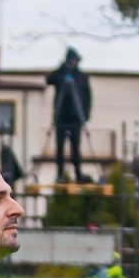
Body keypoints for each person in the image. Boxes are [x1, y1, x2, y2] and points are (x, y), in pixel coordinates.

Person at [47, 48, 91, 183]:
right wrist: (62, 68)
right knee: (59, 148)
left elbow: (88, 97)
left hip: (75, 118)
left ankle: (78, 173)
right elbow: (48, 79)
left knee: (76, 148)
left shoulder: (81, 77)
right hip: (61, 117)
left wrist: (85, 115)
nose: (72, 63)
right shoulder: (60, 75)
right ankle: (59, 174)